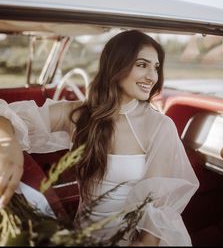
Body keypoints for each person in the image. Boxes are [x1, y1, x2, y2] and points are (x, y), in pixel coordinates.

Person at [0, 29, 199, 246]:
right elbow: (7, 115)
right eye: (142, 65)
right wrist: (8, 142)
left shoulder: (159, 126)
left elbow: (153, 213)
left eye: (156, 67)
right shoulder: (78, 115)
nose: (152, 76)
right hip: (81, 238)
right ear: (117, 66)